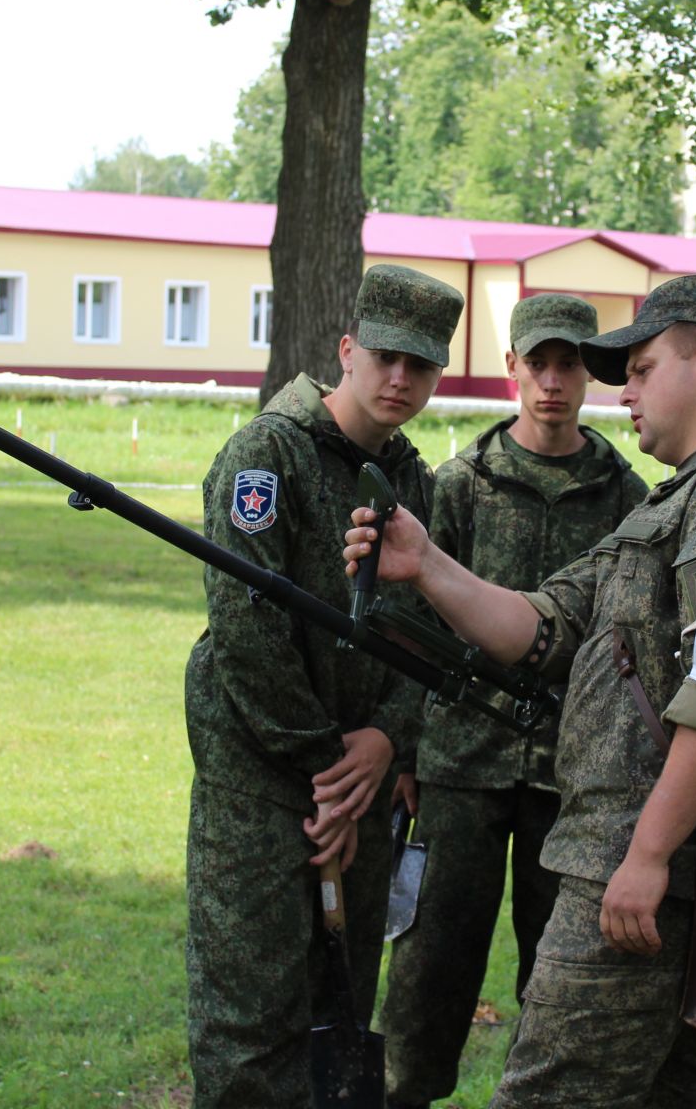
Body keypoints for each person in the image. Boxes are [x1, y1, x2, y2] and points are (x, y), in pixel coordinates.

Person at [345, 274, 696, 1108]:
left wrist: (645, 854)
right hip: (637, 866)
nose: (625, 391)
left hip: (642, 873)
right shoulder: (681, 500)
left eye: (641, 369)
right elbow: (541, 626)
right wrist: (423, 563)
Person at [183, 263, 464, 1106]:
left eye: (421, 366)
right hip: (263, 785)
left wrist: (386, 739)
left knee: (336, 1009)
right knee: (250, 1022)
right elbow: (245, 630)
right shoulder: (267, 456)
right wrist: (326, 779)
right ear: (347, 350)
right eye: (385, 357)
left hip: (361, 781)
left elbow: (430, 630)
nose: (401, 379)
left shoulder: (409, 478)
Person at [383, 293, 649, 1108]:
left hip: (569, 775)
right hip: (462, 764)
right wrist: (402, 750)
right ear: (512, 370)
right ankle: (403, 1094)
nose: (555, 381)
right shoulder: (461, 484)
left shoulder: (624, 495)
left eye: (571, 363)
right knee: (432, 963)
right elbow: (408, 624)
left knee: (559, 968)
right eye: (540, 362)